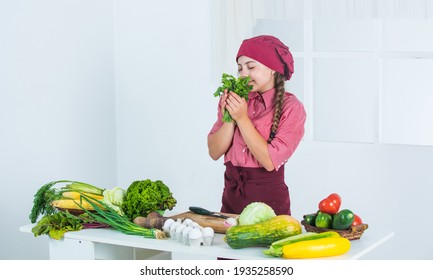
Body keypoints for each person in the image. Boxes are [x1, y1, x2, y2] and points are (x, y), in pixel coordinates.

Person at [207, 35, 306, 216]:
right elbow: (214, 151)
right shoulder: (235, 101)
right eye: (240, 68)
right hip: (231, 203)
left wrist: (242, 118)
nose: (243, 73)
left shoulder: (292, 108)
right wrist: (231, 117)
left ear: (273, 69)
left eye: (251, 67)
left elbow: (269, 162)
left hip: (269, 207)